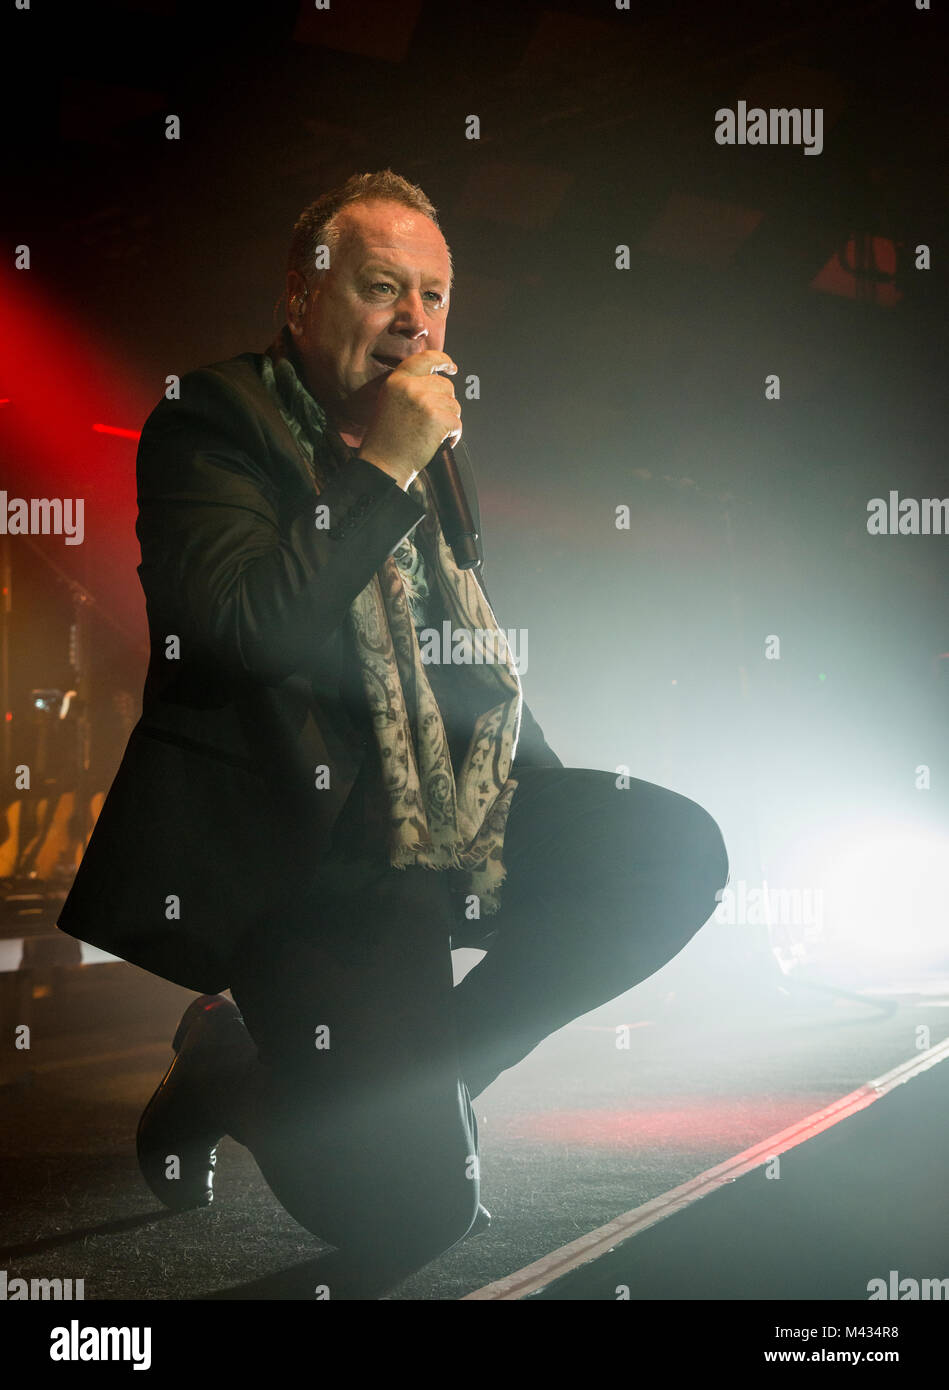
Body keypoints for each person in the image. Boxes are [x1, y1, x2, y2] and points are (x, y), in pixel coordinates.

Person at [57, 170, 729, 1299]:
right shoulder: (213, 420)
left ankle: (444, 1073)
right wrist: (380, 469)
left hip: (444, 830)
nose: (417, 319)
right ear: (304, 295)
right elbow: (241, 632)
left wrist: (562, 834)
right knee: (420, 1216)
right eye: (383, 287)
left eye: (435, 294)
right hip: (311, 868)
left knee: (672, 848)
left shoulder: (425, 459)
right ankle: (230, 1070)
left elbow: (466, 663)